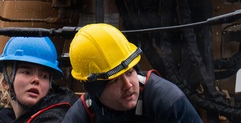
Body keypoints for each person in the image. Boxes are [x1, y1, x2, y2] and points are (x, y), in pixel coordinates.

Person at [62, 23, 203, 123]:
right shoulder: (83, 114)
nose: (128, 85)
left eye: (130, 72)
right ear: (95, 91)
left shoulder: (166, 100)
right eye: (114, 80)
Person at [0, 36, 77, 122]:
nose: (36, 80)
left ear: (49, 87)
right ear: (5, 82)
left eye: (44, 76)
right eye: (27, 72)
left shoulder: (57, 118)